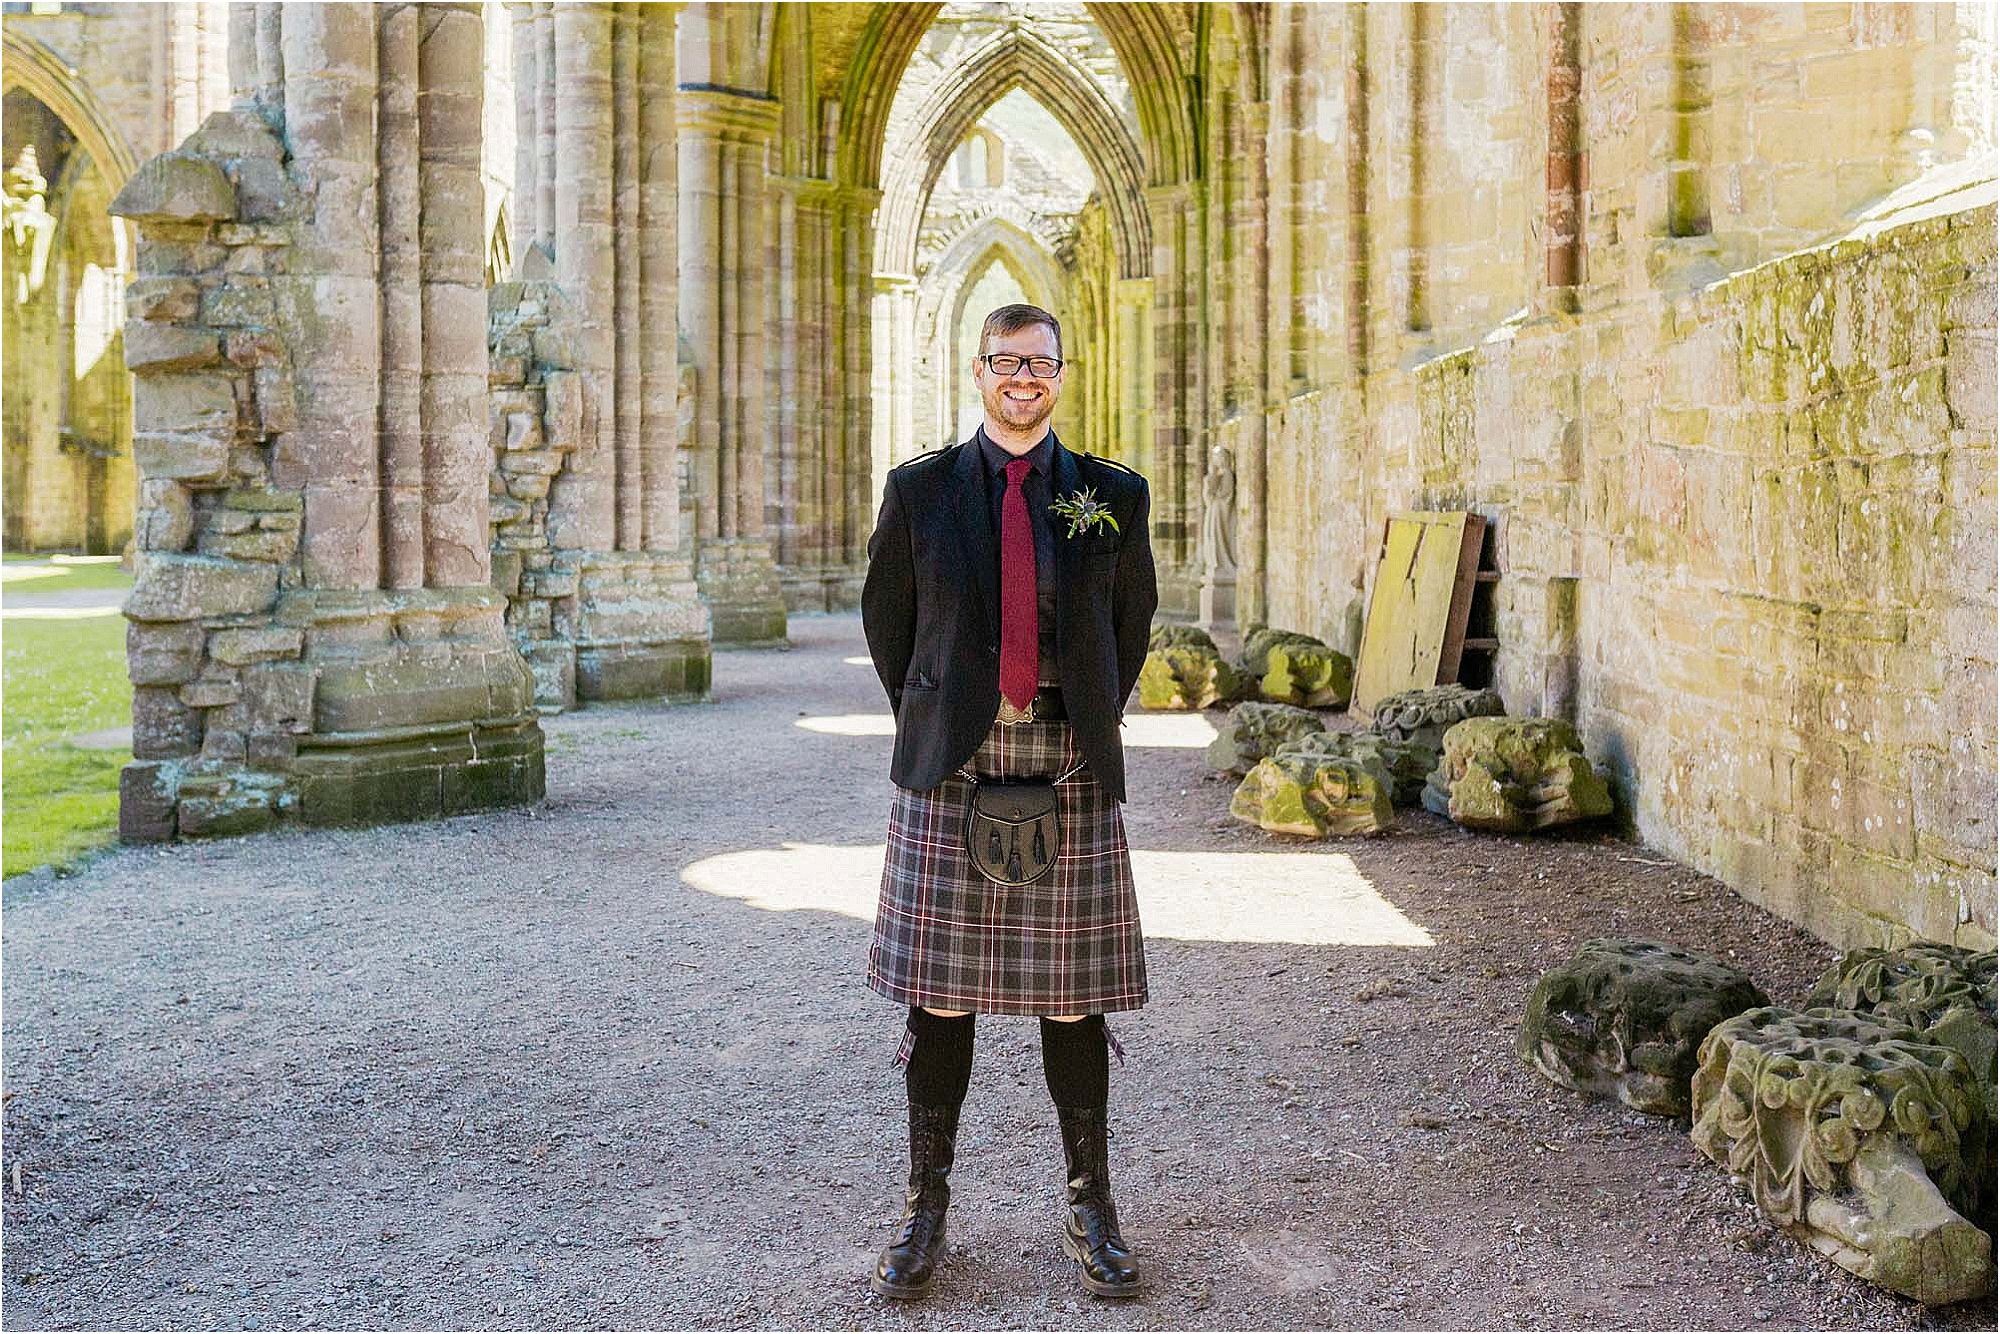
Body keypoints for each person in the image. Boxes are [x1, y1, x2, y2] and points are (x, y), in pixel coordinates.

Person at [860, 303, 1158, 1299]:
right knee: (939, 996)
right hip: (954, 761)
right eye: (1004, 362)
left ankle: (1090, 1200)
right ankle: (923, 1204)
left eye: (1038, 363)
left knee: (1071, 998)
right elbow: (888, 623)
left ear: (1061, 374)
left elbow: (1130, 621)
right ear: (977, 370)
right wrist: (944, 712)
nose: (1021, 377)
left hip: (1066, 759)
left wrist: (1081, 715)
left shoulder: (1111, 493)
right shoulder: (919, 491)